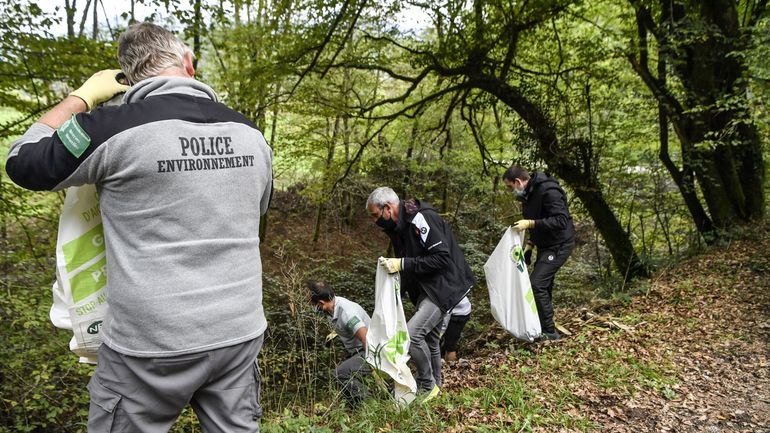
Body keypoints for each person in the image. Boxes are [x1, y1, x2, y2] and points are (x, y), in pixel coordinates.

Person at [6, 23, 272, 432]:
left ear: (128, 79)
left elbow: (23, 161)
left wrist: (82, 97)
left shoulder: (108, 128)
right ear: (188, 64)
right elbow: (254, 211)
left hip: (150, 346)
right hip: (239, 331)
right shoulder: (251, 134)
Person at [366, 187, 475, 400]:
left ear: (387, 208)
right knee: (432, 339)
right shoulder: (397, 229)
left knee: (413, 335)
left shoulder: (421, 218)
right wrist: (395, 292)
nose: (374, 221)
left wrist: (402, 264)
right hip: (427, 288)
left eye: (375, 215)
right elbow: (408, 264)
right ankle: (436, 387)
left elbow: (441, 258)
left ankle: (427, 384)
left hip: (444, 285)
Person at [502, 166, 575, 341]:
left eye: (509, 187)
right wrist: (529, 246)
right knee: (544, 285)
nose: (510, 191)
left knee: (537, 285)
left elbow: (560, 220)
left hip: (560, 244)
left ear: (518, 182)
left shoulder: (549, 191)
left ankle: (550, 333)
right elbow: (539, 219)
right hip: (545, 245)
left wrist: (529, 224)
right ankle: (542, 326)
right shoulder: (528, 195)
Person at [308, 282, 372, 407]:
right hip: (356, 351)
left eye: (315, 305)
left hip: (371, 350)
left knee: (340, 374)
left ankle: (367, 404)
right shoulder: (332, 308)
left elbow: (366, 338)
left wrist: (372, 363)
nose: (314, 308)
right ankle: (354, 406)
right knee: (343, 378)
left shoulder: (348, 313)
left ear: (321, 303)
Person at [440, 296, 471, 362]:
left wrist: (440, 333)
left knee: (450, 345)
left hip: (459, 313)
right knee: (448, 343)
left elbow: (446, 314)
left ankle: (449, 367)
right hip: (463, 308)